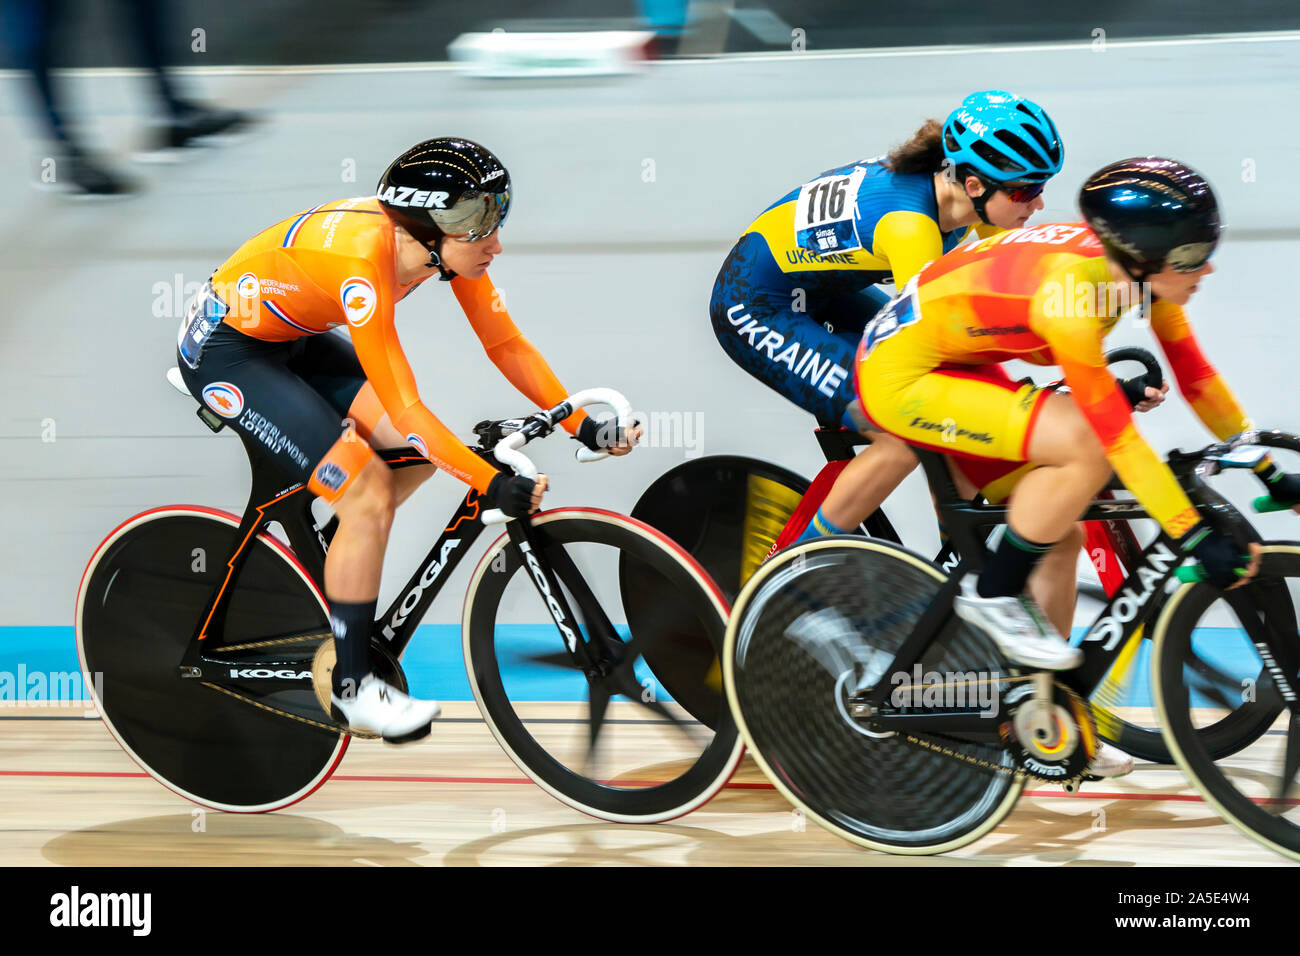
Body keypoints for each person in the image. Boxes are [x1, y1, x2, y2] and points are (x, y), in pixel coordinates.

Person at [845, 157, 1300, 774]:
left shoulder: (1136, 276)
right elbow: (1115, 440)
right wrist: (1192, 536)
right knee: (1085, 445)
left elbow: (1195, 378)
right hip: (903, 376)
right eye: (1191, 257)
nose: (1206, 268)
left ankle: (1043, 713)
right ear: (1141, 257)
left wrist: (1270, 471)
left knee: (1054, 533)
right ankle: (992, 591)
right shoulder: (1073, 296)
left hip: (957, 361)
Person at [176, 137, 637, 741]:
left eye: (494, 215)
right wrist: (489, 480)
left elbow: (505, 344)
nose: (493, 241)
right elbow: (408, 406)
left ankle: (342, 549)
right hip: (228, 356)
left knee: (413, 458)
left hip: (291, 337)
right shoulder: (363, 271)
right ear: (423, 231)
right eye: (477, 225)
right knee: (372, 489)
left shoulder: (444, 250)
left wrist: (580, 422)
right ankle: (353, 688)